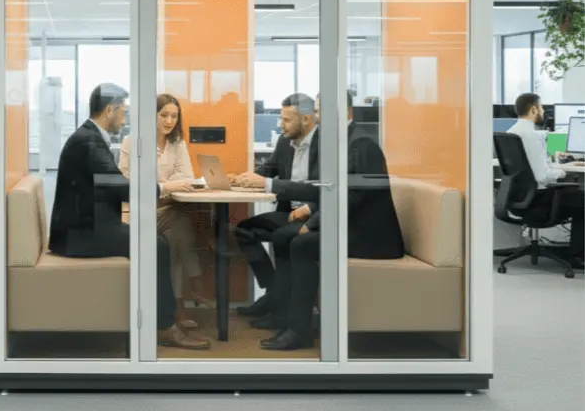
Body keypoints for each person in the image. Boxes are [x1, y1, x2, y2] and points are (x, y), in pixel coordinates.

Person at [49, 83, 208, 350]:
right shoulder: (89, 141)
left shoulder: (90, 137)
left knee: (159, 239)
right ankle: (165, 326)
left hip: (86, 226)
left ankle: (162, 318)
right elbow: (119, 187)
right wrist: (163, 187)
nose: (125, 116)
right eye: (123, 110)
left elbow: (112, 185)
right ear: (110, 110)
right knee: (156, 245)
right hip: (82, 234)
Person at [258, 93, 404, 351]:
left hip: (370, 236)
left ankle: (299, 331)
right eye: (316, 110)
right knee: (287, 237)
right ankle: (286, 317)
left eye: (321, 110)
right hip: (350, 226)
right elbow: (325, 189)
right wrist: (311, 214)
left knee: (302, 243)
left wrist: (314, 223)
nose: (316, 116)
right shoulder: (338, 142)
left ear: (346, 112)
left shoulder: (361, 144)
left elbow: (353, 196)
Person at [118, 93, 210, 318]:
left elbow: (186, 176)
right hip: (140, 211)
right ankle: (191, 290)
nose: (169, 121)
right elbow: (127, 184)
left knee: (177, 234)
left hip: (166, 209)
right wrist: (168, 185)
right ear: (152, 116)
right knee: (181, 227)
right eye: (164, 115)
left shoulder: (176, 142)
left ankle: (176, 309)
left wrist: (162, 187)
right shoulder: (133, 141)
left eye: (174, 116)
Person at [230, 93, 319, 322]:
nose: (280, 125)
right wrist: (243, 178)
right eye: (281, 118)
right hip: (289, 213)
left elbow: (326, 189)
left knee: (282, 237)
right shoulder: (284, 142)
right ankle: (273, 293)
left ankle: (279, 306)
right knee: (243, 230)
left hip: (314, 214)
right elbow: (268, 171)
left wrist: (309, 208)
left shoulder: (325, 145)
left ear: (307, 119)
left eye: (287, 120)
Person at [508, 93, 584, 255]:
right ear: (533, 109)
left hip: (518, 197)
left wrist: (555, 164)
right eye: (541, 107)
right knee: (582, 196)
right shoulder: (531, 135)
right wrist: (563, 171)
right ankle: (578, 256)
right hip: (538, 199)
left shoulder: (512, 132)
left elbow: (533, 166)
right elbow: (542, 176)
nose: (543, 111)